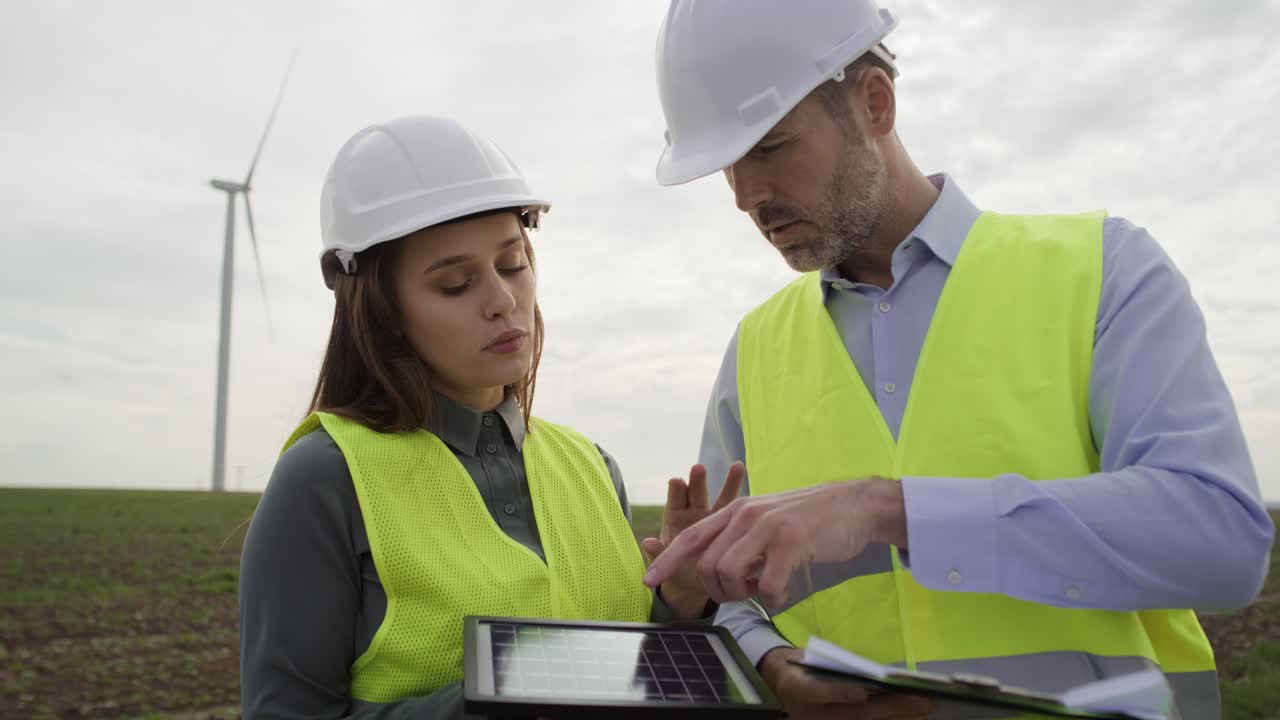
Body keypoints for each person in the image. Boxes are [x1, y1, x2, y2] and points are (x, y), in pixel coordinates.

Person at [642, 2, 1275, 718]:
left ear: (873, 104)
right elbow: (732, 595)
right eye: (728, 165)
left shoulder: (1104, 271)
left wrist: (887, 510)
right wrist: (773, 662)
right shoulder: (754, 351)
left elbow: (1220, 541)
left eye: (770, 146)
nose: (746, 197)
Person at [238, 114, 739, 719]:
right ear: (383, 310)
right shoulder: (325, 478)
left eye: (512, 264)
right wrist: (499, 698)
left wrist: (679, 606)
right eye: (455, 283)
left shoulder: (593, 465)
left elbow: (632, 680)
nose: (503, 302)